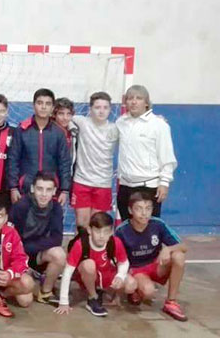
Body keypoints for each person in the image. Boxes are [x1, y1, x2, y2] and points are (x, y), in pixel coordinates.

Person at [115, 191, 188, 321]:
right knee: (148, 292)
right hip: (136, 269)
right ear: (130, 210)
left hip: (156, 265)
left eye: (148, 208)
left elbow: (184, 246)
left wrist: (168, 249)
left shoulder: (158, 224)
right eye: (139, 209)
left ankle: (171, 302)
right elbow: (115, 259)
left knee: (178, 256)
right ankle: (136, 290)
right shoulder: (122, 231)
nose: (144, 213)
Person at [55, 212, 136, 317]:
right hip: (86, 276)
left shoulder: (115, 242)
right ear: (89, 230)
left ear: (111, 232)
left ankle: (113, 295)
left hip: (106, 275)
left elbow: (124, 262)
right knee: (89, 265)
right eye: (97, 231)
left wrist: (120, 276)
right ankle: (93, 297)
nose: (101, 236)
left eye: (106, 232)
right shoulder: (80, 244)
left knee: (131, 284)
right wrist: (63, 302)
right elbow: (67, 272)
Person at [116, 85, 177, 220]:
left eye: (139, 98)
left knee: (148, 229)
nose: (134, 102)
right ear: (125, 102)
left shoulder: (159, 125)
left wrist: (164, 183)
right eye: (130, 98)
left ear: (146, 103)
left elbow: (167, 157)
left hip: (148, 187)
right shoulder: (121, 122)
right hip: (125, 186)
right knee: (127, 228)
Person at [7, 88, 72, 206]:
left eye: (48, 104)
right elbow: (13, 159)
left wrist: (64, 189)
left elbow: (64, 162)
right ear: (33, 105)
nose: (43, 107)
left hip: (50, 190)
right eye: (40, 103)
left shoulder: (59, 133)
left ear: (52, 108)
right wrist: (13, 187)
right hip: (25, 189)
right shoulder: (22, 130)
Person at [9, 172, 65, 304]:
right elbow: (9, 238)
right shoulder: (21, 206)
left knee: (59, 254)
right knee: (25, 301)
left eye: (48, 190)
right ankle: (5, 288)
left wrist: (28, 248)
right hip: (18, 256)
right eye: (40, 189)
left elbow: (57, 239)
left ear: (54, 191)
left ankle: (45, 292)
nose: (44, 194)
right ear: (32, 188)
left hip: (35, 253)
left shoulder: (56, 208)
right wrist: (20, 254)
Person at [71, 92, 119, 228]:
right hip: (82, 181)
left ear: (110, 110)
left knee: (98, 224)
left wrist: (156, 119)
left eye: (105, 107)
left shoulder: (115, 129)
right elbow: (61, 115)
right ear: (90, 109)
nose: (101, 111)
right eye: (97, 107)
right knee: (82, 224)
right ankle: (80, 243)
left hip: (103, 184)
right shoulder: (81, 122)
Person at [52, 97, 78, 167]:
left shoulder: (73, 131)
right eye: (61, 114)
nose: (65, 118)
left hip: (67, 170)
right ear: (54, 114)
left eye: (68, 114)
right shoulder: (49, 132)